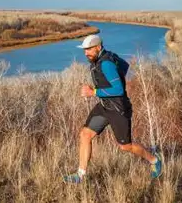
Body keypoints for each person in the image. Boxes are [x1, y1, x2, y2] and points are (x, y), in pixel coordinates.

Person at [63, 34, 162, 184]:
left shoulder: (106, 63)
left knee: (125, 146)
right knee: (85, 134)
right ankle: (80, 175)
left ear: (98, 47)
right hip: (104, 106)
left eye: (89, 49)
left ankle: (154, 160)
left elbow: (118, 89)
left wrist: (94, 92)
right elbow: (125, 67)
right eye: (84, 50)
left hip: (118, 109)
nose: (86, 53)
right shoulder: (100, 59)